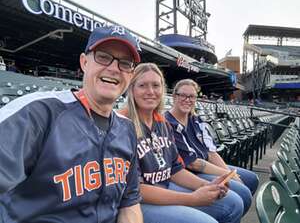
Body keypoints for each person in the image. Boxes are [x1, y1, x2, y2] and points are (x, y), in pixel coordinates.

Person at [0, 25, 143, 223]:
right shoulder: (39, 113)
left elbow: (129, 203)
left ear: (131, 75)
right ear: (84, 62)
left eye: (125, 63)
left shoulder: (127, 129)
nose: (113, 68)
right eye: (103, 56)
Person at [120, 63, 243, 223]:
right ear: (132, 89)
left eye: (156, 85)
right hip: (138, 203)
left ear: (162, 90)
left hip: (165, 186)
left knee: (234, 203)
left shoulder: (162, 124)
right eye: (142, 85)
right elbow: (136, 189)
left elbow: (175, 170)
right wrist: (191, 198)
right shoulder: (122, 125)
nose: (150, 91)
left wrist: (206, 185)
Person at [165, 79, 259, 215]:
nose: (187, 100)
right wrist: (228, 175)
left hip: (206, 165)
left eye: (192, 96)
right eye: (183, 95)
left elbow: (211, 152)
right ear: (174, 97)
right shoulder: (168, 122)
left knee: (251, 178)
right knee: (242, 194)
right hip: (189, 173)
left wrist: (229, 173)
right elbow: (193, 164)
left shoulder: (195, 119)